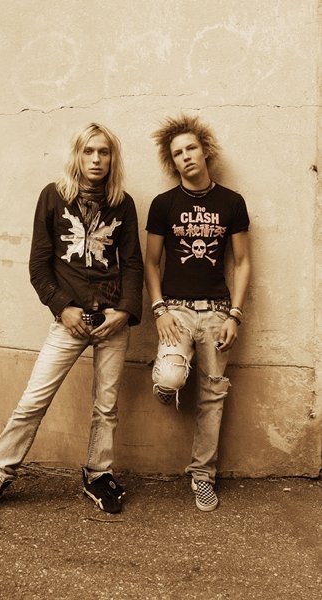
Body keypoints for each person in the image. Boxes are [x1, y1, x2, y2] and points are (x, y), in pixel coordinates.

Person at [0, 123, 143, 516]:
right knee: (33, 400)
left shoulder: (122, 203)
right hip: (69, 320)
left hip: (112, 320)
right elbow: (39, 266)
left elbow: (132, 263)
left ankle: (98, 474)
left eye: (104, 152)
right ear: (78, 154)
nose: (96, 159)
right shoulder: (54, 196)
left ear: (113, 158)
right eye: (89, 151)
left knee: (106, 406)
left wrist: (125, 311)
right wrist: (62, 307)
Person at [145, 114, 250, 512]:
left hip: (218, 312)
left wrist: (235, 315)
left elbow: (243, 262)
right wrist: (159, 310)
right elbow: (151, 263)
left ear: (205, 151)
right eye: (177, 153)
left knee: (213, 394)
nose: (186, 156)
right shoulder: (163, 204)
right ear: (172, 162)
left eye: (191, 148)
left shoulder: (232, 203)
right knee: (171, 378)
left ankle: (202, 476)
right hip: (175, 310)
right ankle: (165, 379)